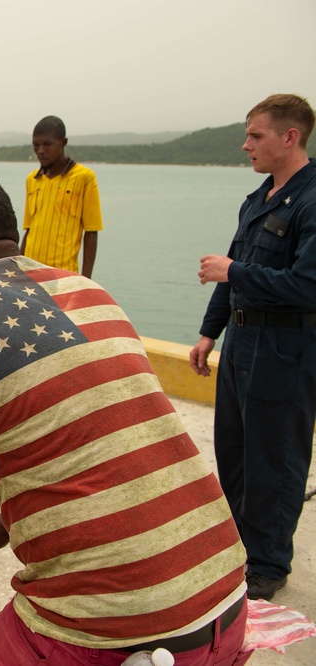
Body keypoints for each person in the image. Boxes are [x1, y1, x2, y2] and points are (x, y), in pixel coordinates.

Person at [0, 174, 250, 664]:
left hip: (104, 631)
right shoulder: (90, 292)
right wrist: (11, 521)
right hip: (228, 602)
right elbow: (105, 445)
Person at [190, 93, 316, 602]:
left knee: (276, 456)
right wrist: (209, 332)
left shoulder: (312, 200)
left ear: (291, 137)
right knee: (236, 452)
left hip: (286, 348)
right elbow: (233, 271)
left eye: (256, 135)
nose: (246, 145)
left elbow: (308, 286)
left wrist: (233, 271)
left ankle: (267, 563)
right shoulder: (259, 198)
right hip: (243, 341)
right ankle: (240, 546)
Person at [20, 116, 102, 278]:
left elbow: (91, 232)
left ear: (63, 143)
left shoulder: (84, 178)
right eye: (36, 145)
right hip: (30, 273)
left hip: (63, 274)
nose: (40, 151)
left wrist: (85, 281)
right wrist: (18, 270)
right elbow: (28, 230)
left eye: (47, 144)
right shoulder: (33, 180)